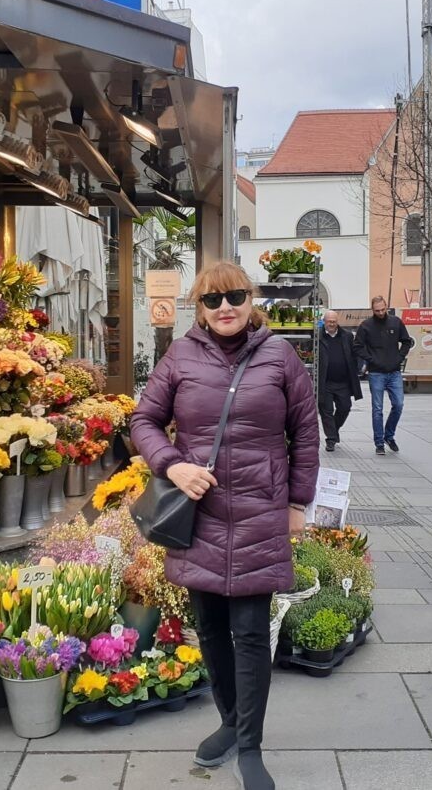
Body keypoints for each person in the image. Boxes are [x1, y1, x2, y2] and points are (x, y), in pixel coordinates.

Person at [130, 261, 319, 790]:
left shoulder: (280, 357)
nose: (225, 308)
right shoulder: (181, 356)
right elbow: (143, 419)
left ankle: (250, 745)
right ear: (201, 308)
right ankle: (231, 722)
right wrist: (173, 464)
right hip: (201, 513)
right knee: (211, 628)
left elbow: (306, 433)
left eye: (234, 296)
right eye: (213, 300)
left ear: (250, 298)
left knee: (252, 632)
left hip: (261, 510)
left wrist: (298, 504)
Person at [353, 295, 413, 455]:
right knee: (377, 409)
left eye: (382, 309)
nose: (380, 313)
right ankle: (379, 442)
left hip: (394, 371)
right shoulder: (366, 326)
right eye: (377, 310)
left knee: (398, 405)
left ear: (386, 307)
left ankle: (389, 435)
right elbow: (357, 346)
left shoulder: (395, 322)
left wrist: (399, 358)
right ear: (372, 310)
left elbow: (407, 341)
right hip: (376, 372)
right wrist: (371, 359)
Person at [317, 309, 362, 452]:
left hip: (343, 382)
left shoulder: (347, 336)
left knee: (345, 407)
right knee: (326, 411)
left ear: (338, 322)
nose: (331, 324)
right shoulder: (317, 337)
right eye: (329, 321)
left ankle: (334, 431)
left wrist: (357, 368)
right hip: (325, 382)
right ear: (324, 321)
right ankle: (331, 439)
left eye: (334, 321)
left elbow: (354, 354)